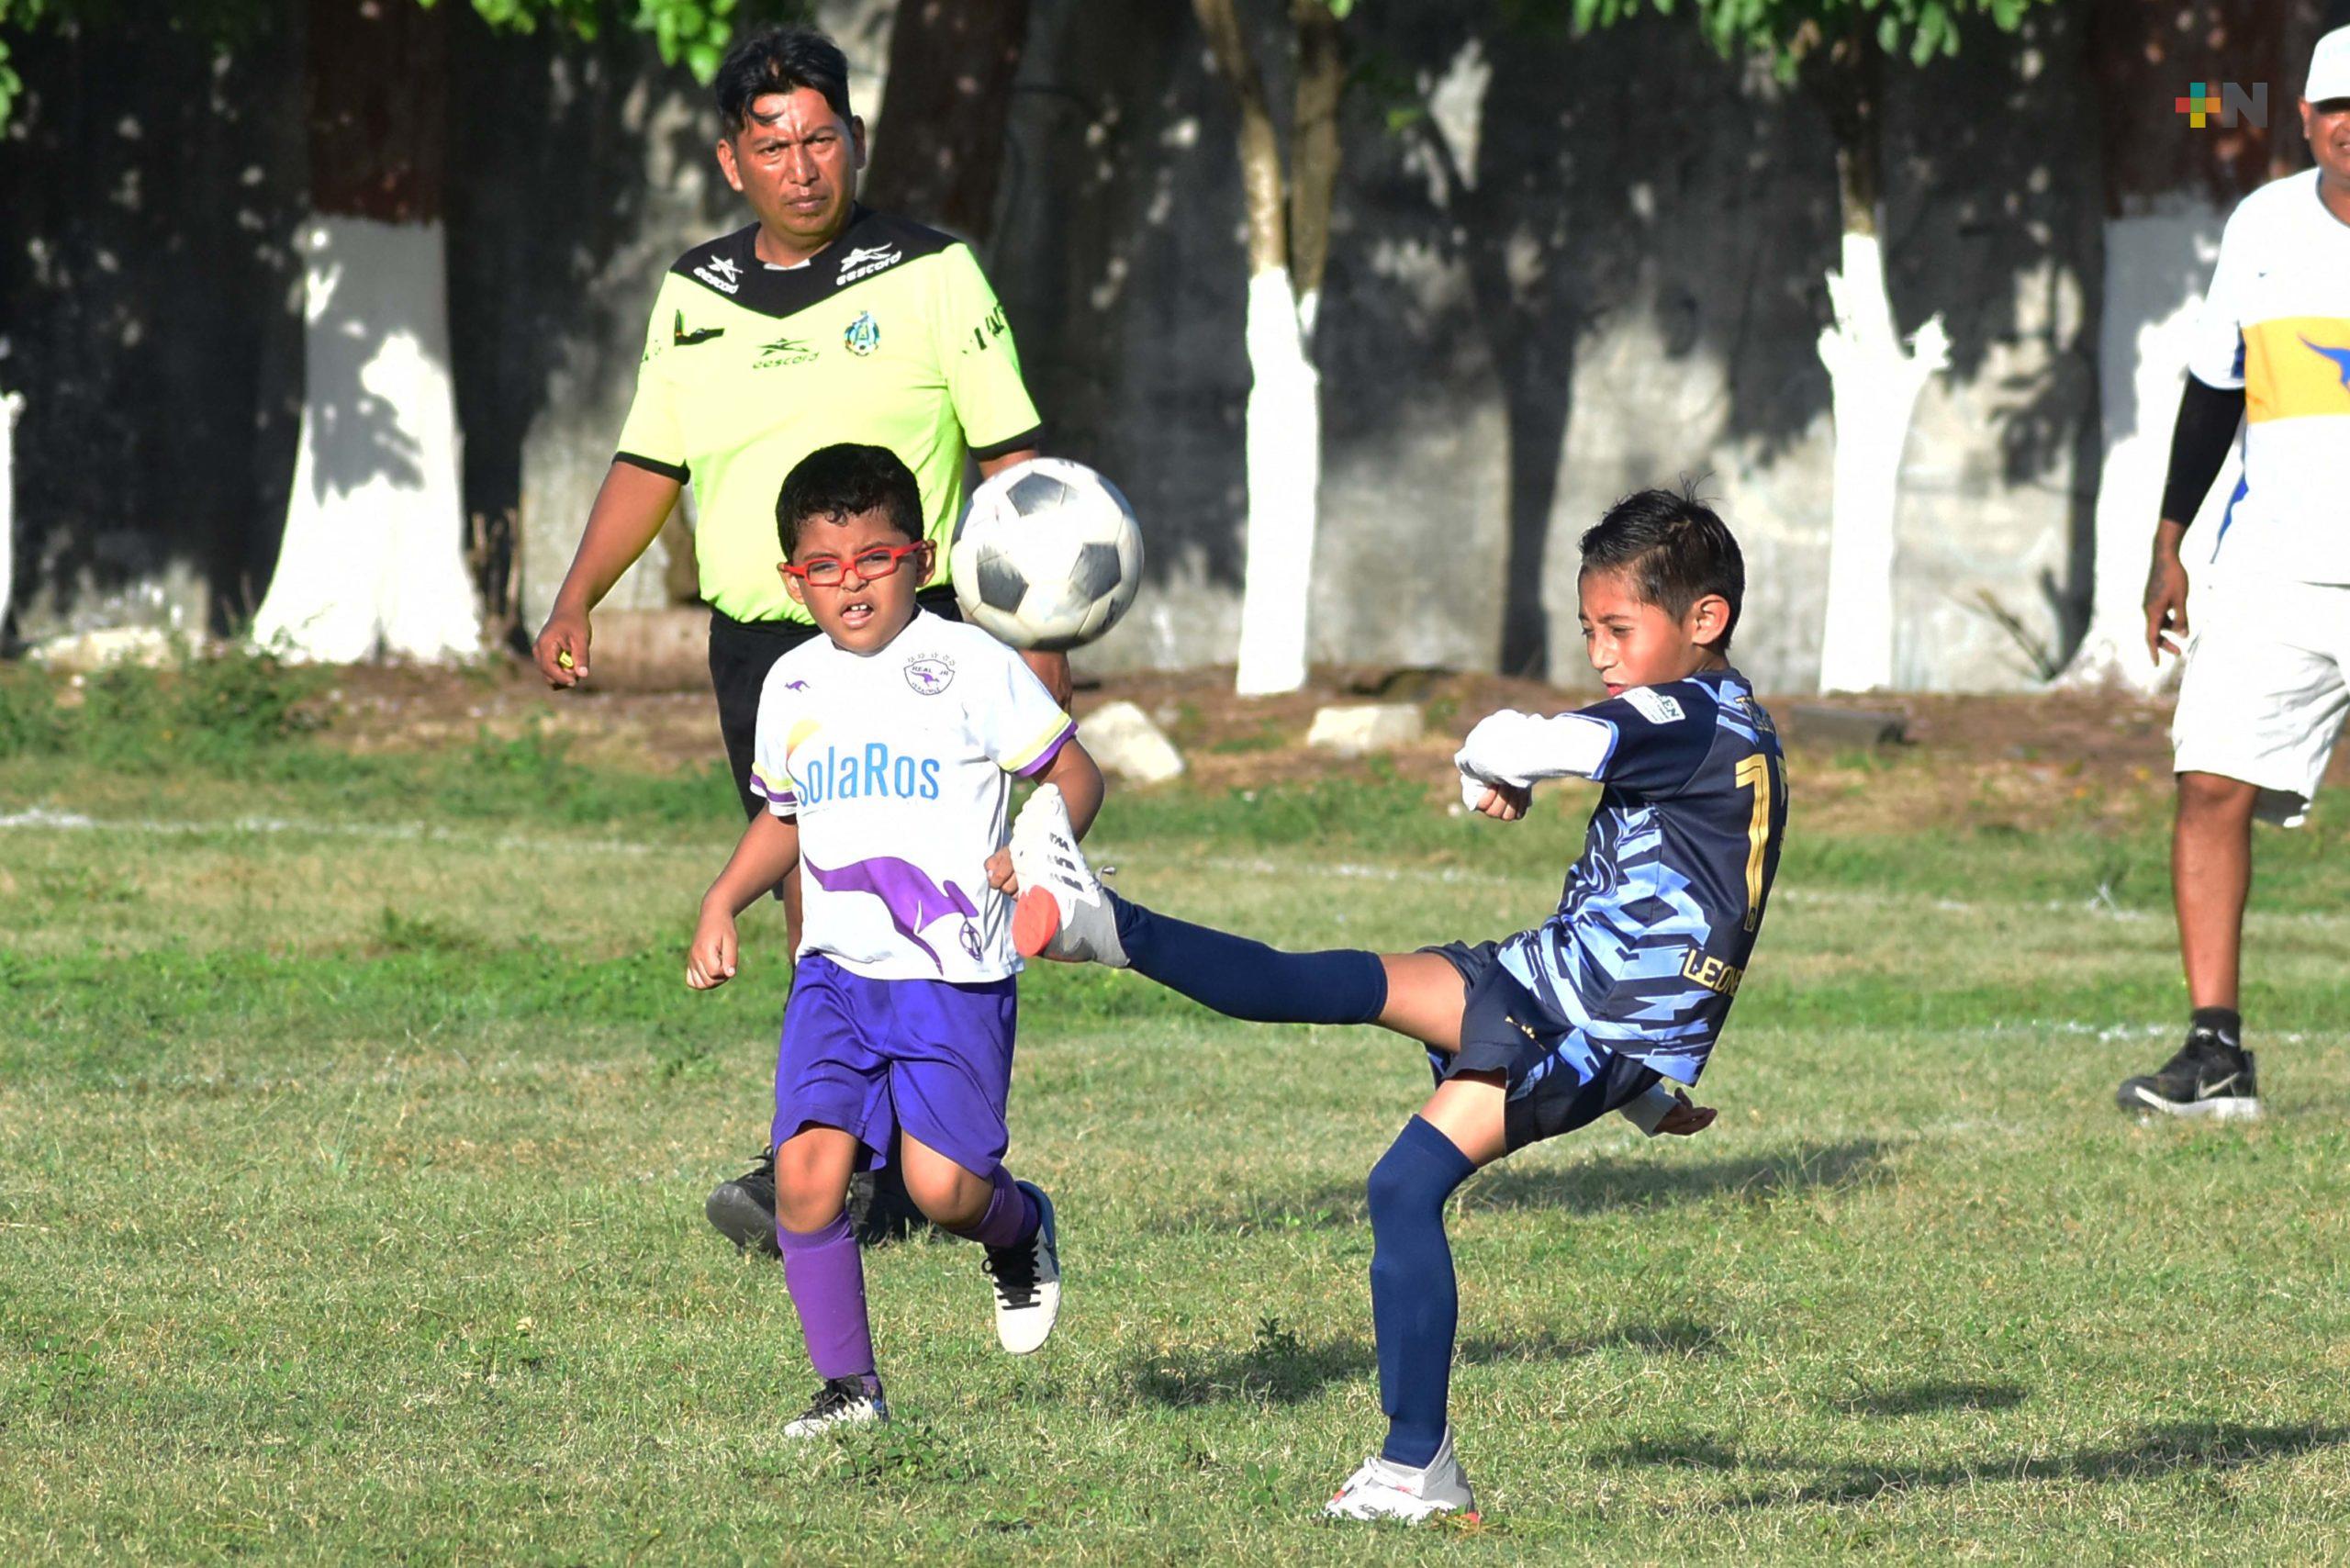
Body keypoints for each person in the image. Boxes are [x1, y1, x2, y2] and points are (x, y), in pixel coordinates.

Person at [1008, 488, 1783, 1522]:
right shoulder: (1716, 718)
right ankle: (1101, 924)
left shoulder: (1684, 712)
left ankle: (1417, 1465)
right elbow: (1699, 903)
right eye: (1588, 629)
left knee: (1402, 1187)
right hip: (1554, 982)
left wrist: (1486, 763)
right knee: (1325, 981)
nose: (1599, 653)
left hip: (1587, 1023)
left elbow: (1526, 737)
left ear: (1704, 621)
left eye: (1619, 630)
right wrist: (1653, 1082)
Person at [529, 25, 1069, 1247]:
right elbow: (647, 460)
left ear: (855, 142)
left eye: (823, 137)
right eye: (773, 145)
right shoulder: (695, 295)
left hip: (915, 635)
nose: (802, 165)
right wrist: (576, 598)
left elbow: (1017, 472)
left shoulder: (934, 273)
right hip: (764, 650)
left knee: (922, 897)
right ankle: (847, 1152)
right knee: (816, 894)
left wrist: (1045, 644)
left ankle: (930, 1156)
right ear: (733, 163)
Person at [686, 442, 1106, 1435]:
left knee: (944, 1189)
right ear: (793, 578)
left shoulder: (973, 663)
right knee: (805, 1176)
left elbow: (1076, 775)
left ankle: (1019, 1223)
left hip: (950, 977)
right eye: (823, 567)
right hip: (832, 977)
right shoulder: (789, 684)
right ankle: (851, 1392)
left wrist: (1036, 845)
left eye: (874, 558)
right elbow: (780, 819)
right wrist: (721, 900)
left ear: (921, 559)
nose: (851, 584)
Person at [2118, 27, 2350, 1122]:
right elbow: (2214, 388)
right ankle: (2214, 1053)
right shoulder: (2261, 226)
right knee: (2210, 779)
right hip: (2274, 569)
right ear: (2306, 120)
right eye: (2337, 105)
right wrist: (2170, 539)